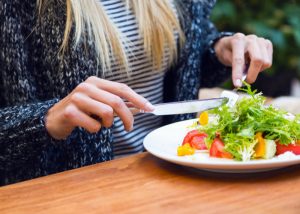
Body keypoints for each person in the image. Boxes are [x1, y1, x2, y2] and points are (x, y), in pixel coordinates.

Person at [0, 0, 272, 186]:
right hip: (76, 192)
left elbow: (181, 65)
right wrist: (44, 121)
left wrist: (219, 50)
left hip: (176, 176)